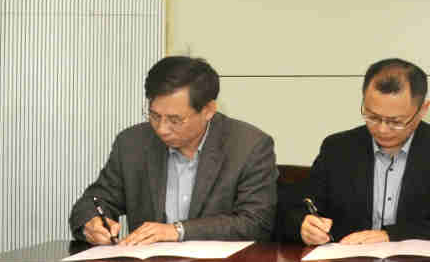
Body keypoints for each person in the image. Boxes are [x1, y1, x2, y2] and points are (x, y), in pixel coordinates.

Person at [69, 56, 276, 244]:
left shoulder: (249, 146)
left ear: (208, 110)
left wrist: (178, 231)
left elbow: (256, 223)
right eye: (154, 116)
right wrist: (92, 223)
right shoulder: (132, 143)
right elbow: (94, 201)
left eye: (175, 120)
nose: (162, 129)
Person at [285, 59, 430, 245]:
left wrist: (391, 236)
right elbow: (298, 209)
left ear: (422, 110)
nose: (382, 129)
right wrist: (304, 226)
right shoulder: (337, 149)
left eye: (396, 121)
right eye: (372, 117)